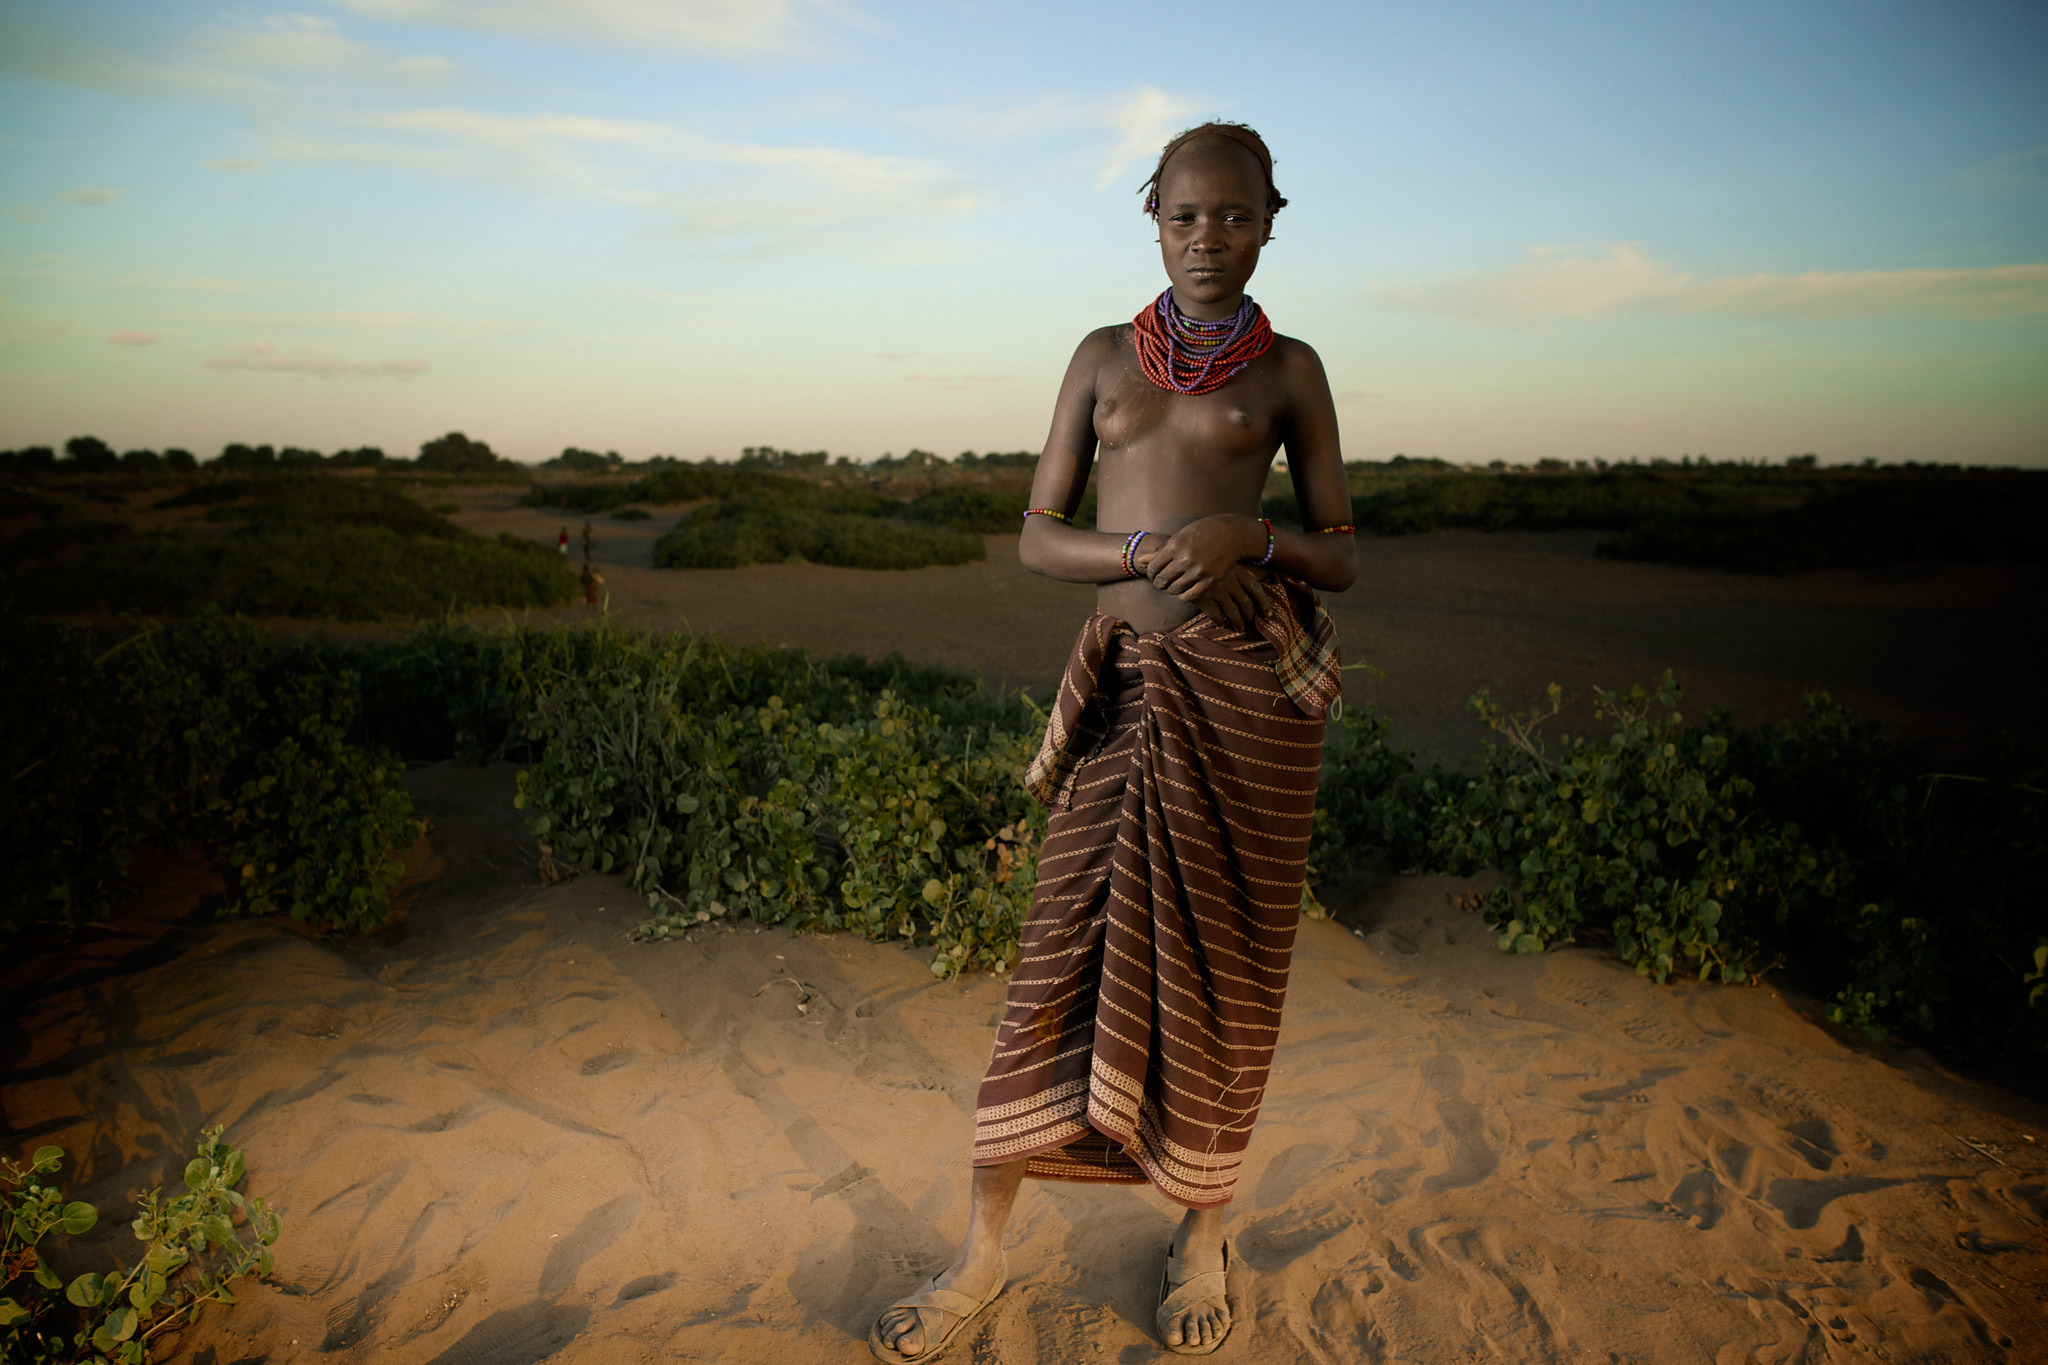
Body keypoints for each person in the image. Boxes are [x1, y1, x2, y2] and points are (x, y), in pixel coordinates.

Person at [870, 122, 1356, 1362]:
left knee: (1227, 975)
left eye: (1234, 217)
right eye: (1185, 216)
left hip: (1243, 707)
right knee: (1054, 960)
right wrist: (1146, 552)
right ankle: (978, 1255)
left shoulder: (1290, 371)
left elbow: (1337, 555)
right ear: (1153, 219)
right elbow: (1039, 538)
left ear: (1268, 222)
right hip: (1127, 695)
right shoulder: (1100, 360)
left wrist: (1248, 542)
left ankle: (1201, 1233)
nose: (1208, 239)